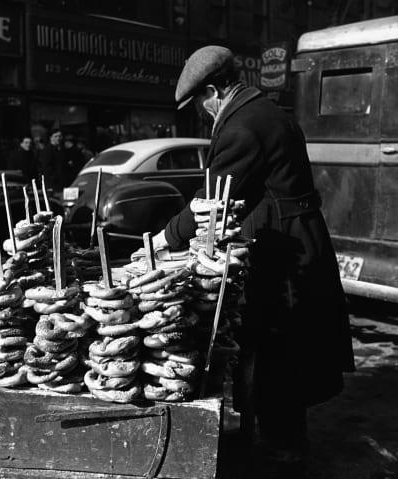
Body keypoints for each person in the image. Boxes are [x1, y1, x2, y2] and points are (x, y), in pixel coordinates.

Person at [147, 46, 355, 477]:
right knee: (280, 352)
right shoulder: (265, 111)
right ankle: (281, 439)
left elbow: (213, 201)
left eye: (200, 103)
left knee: (278, 351)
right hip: (290, 239)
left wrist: (165, 238)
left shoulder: (243, 126)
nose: (202, 113)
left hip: (283, 254)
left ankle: (283, 452)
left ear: (213, 90)